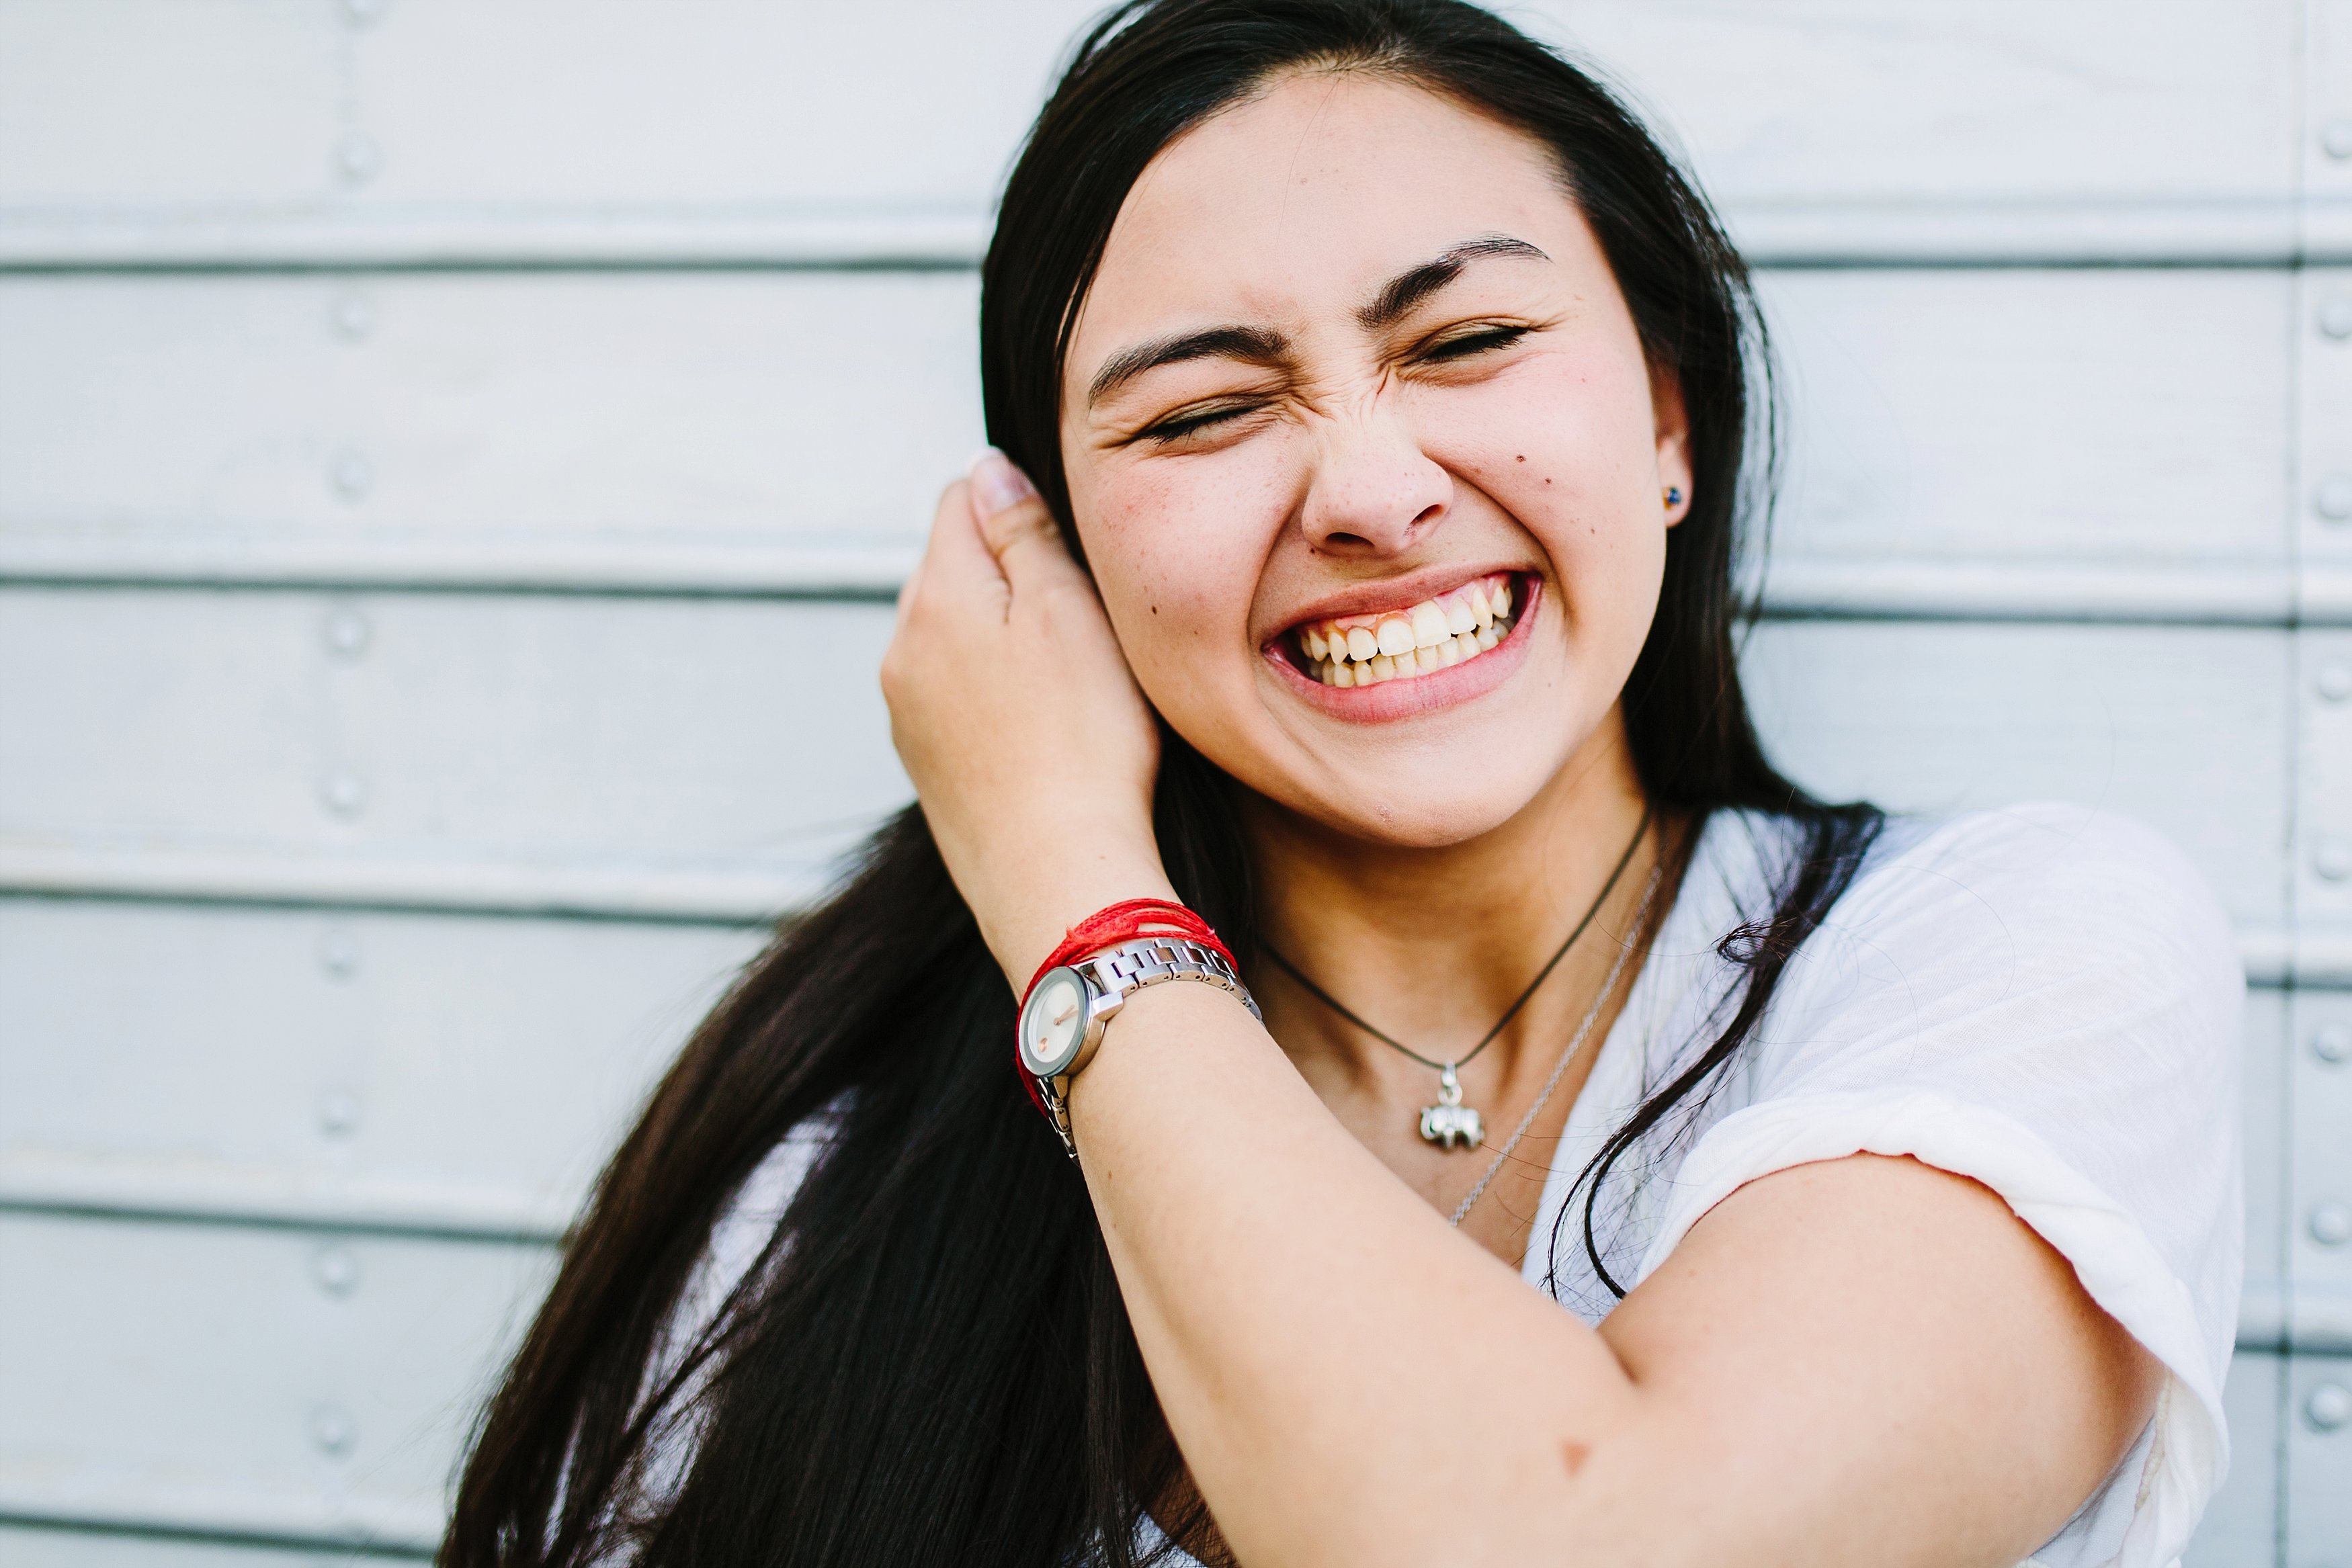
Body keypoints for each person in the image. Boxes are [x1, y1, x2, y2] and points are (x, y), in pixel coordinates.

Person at [444, 3, 2244, 1564]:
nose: (1370, 492)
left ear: (1668, 424)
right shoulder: (844, 1157)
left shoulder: (2004, 958)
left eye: (1462, 345)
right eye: (1203, 413)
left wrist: (1072, 894)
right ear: (1057, 552)